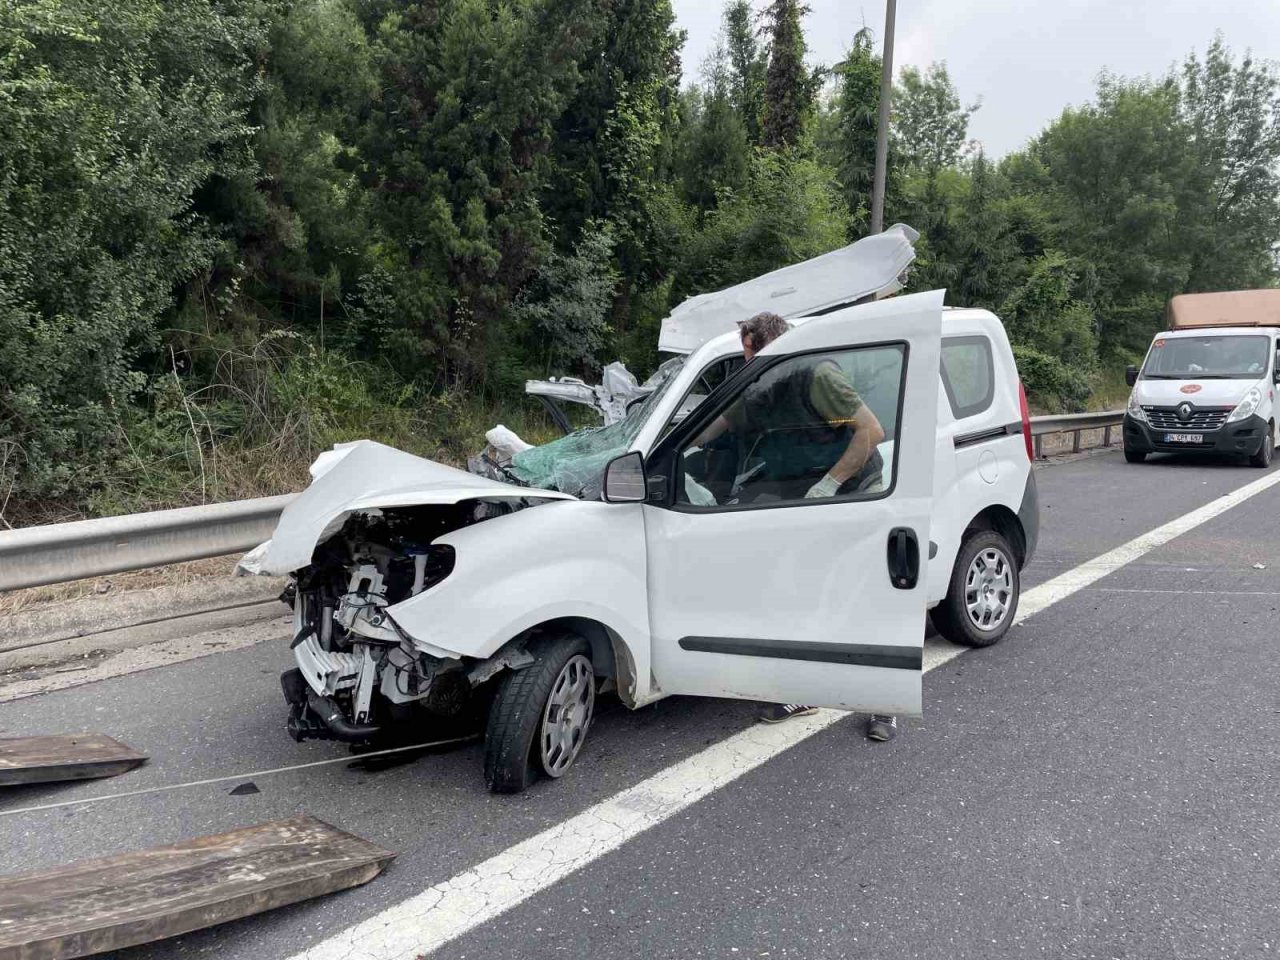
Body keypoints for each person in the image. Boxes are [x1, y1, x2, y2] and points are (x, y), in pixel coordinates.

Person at [709, 311, 900, 742]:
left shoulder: (817, 375)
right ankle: (804, 690)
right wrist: (673, 446)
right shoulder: (760, 382)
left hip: (853, 487)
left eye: (748, 351)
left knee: (861, 593)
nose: (744, 361)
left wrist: (830, 485)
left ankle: (885, 702)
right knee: (803, 588)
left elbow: (871, 430)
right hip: (803, 490)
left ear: (771, 346)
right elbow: (719, 422)